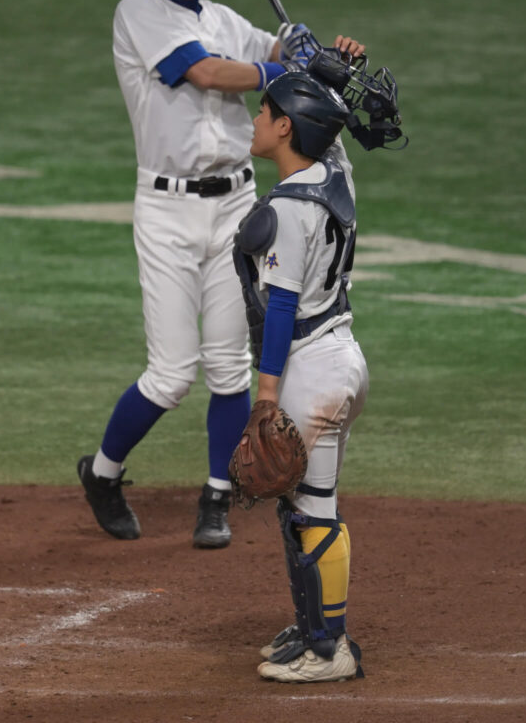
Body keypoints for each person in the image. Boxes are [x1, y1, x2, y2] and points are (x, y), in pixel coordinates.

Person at [77, 0, 364, 549]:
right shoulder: (138, 13)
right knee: (172, 374)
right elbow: (208, 73)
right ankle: (102, 473)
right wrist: (282, 68)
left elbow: (283, 54)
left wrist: (318, 52)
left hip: (237, 206)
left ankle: (217, 496)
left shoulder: (226, 20)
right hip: (166, 210)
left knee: (230, 367)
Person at [232, 70, 368, 682]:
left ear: (286, 126)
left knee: (313, 509)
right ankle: (313, 627)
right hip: (342, 355)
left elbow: (280, 308)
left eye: (264, 112)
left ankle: (329, 649)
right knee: (297, 502)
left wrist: (266, 396)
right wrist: (320, 66)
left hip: (312, 370)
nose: (256, 121)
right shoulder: (333, 173)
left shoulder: (288, 207)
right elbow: (333, 133)